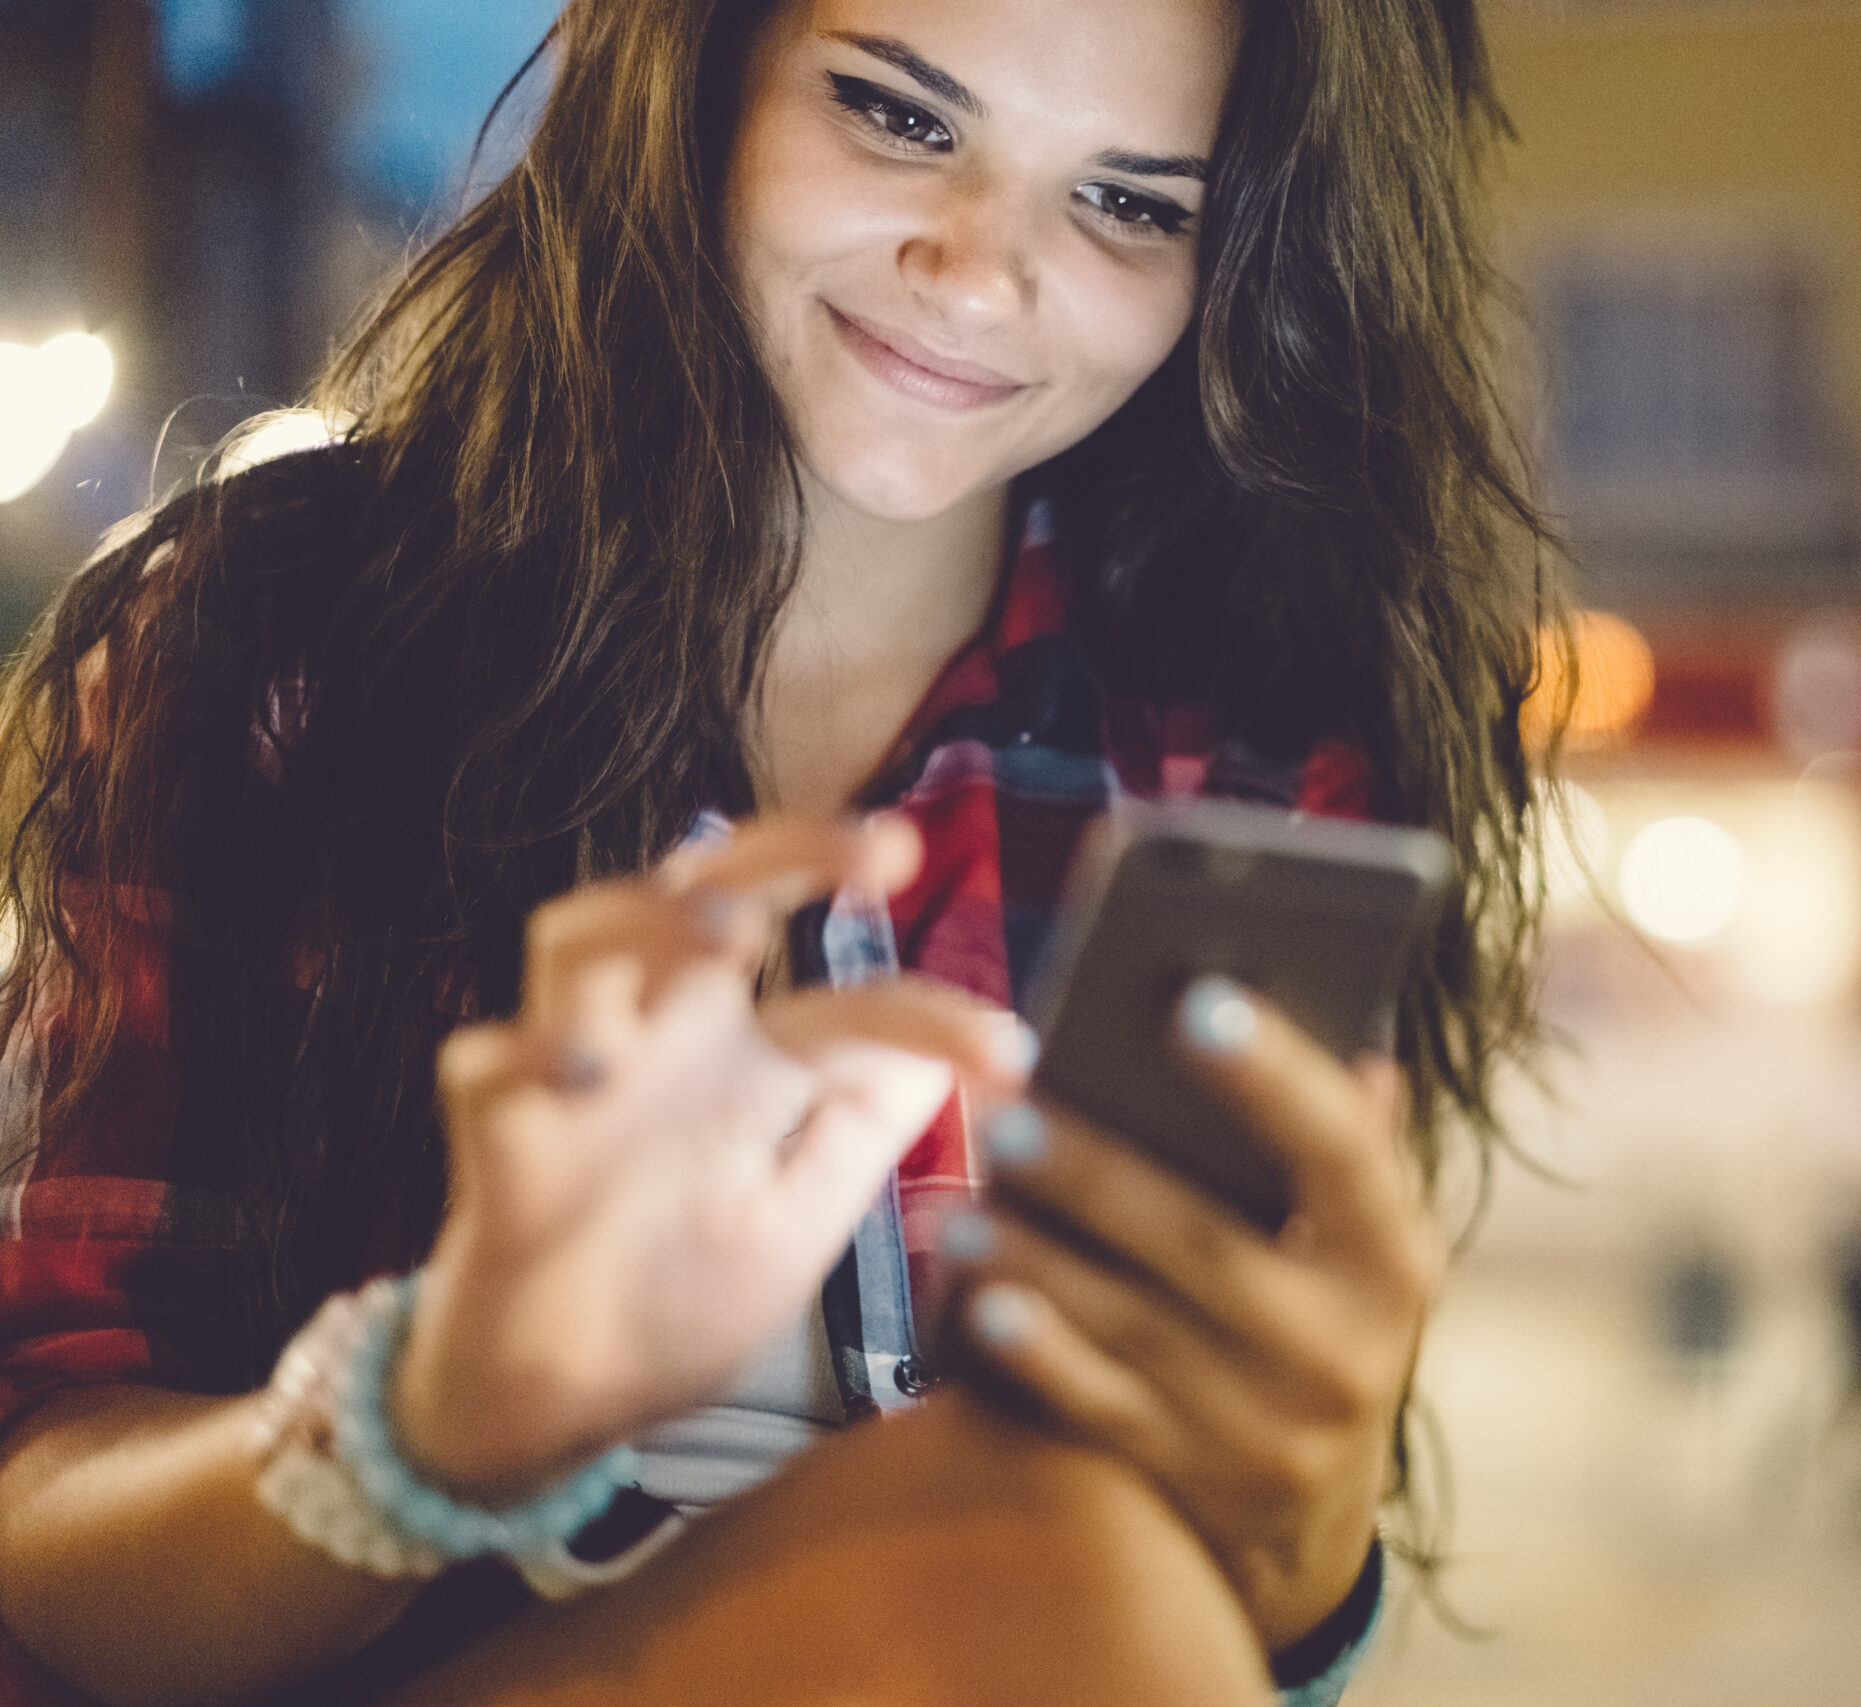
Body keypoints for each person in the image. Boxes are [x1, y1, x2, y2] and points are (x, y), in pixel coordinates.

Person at [0, 0, 1556, 1699]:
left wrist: (1311, 1536)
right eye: (899, 114)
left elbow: (1222, 1608)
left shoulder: (1256, 765)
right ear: (702, 69)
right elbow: (53, 1545)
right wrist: (432, 1419)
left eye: (1131, 204)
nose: (974, 273)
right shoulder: (285, 640)